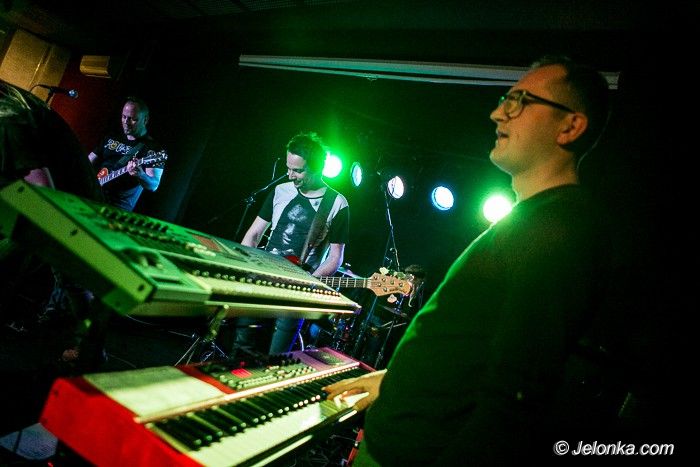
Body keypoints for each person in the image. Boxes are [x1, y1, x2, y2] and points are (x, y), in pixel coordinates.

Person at [324, 56, 623, 464]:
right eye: (505, 100)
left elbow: (514, 398)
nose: (498, 113)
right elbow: (471, 352)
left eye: (520, 101)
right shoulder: (533, 221)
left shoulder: (562, 230)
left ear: (570, 126)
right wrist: (397, 381)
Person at [0, 79, 104, 436]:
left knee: (73, 283)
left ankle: (84, 371)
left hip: (64, 208)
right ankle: (88, 359)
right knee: (75, 289)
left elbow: (42, 192)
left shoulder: (6, 113)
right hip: (56, 205)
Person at [234, 131, 350, 355]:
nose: (290, 175)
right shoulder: (280, 191)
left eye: (298, 170)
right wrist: (246, 265)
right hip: (261, 279)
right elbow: (254, 234)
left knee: (275, 357)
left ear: (317, 168)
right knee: (242, 349)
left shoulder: (336, 203)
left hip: (296, 292)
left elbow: (336, 257)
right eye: (288, 168)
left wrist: (310, 281)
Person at [88, 96, 166, 211]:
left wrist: (140, 174)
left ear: (145, 120)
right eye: (124, 117)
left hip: (116, 207)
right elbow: (87, 162)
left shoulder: (153, 149)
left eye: (132, 119)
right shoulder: (112, 137)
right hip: (93, 196)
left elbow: (153, 185)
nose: (126, 122)